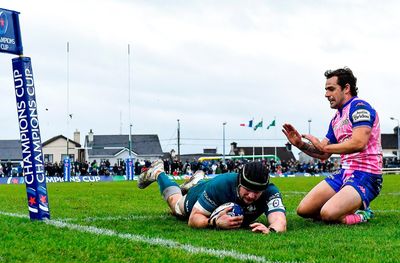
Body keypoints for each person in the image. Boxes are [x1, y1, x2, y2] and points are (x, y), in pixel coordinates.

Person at [282, 67, 383, 225]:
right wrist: (300, 144)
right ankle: (346, 206)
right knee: (304, 210)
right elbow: (323, 153)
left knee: (328, 214)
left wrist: (324, 148)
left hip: (367, 174)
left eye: (331, 89)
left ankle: (364, 213)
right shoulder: (336, 119)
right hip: (344, 173)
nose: (326, 94)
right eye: (326, 90)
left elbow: (359, 143)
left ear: (346, 88)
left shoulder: (360, 107)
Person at [138, 160, 287, 234]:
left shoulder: (270, 191)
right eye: (248, 189)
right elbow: (193, 219)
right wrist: (213, 221)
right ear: (239, 182)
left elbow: (280, 220)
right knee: (176, 206)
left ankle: (197, 180)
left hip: (210, 188)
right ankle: (158, 172)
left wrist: (271, 231)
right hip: (199, 194)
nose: (252, 195)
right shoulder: (222, 185)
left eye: (257, 192)